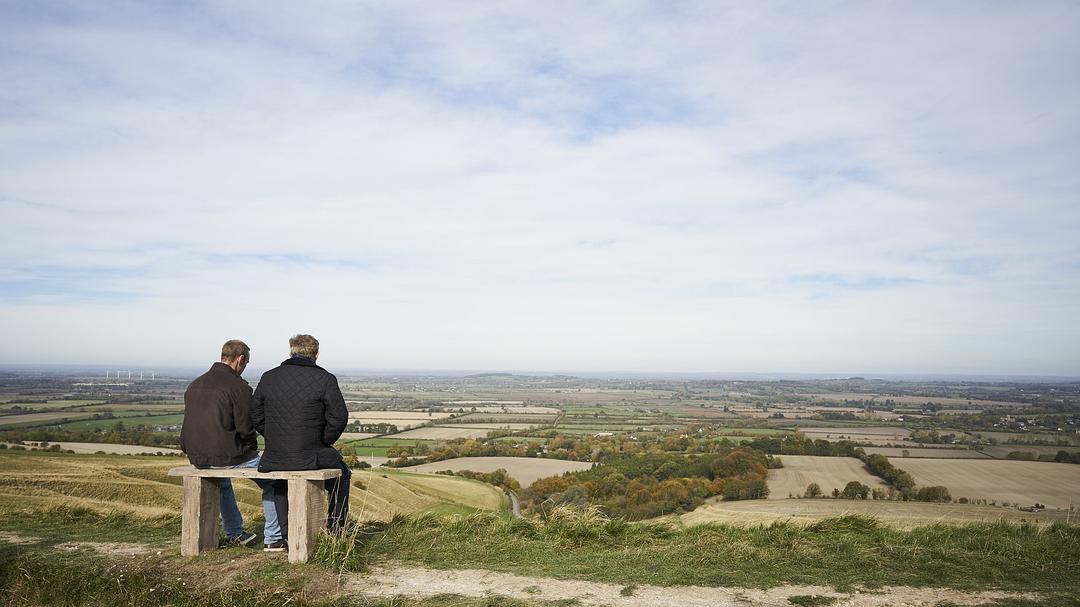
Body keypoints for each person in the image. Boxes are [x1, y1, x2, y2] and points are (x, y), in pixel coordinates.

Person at [179, 340, 286, 550]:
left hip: (198, 457)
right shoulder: (239, 387)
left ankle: (236, 533)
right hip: (229, 456)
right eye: (246, 363)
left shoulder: (195, 384)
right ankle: (273, 538)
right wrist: (251, 448)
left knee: (222, 482)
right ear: (240, 359)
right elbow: (246, 429)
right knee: (275, 482)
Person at [252, 334, 351, 535]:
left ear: (290, 352)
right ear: (316, 355)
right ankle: (336, 530)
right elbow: (339, 417)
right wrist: (324, 440)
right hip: (312, 453)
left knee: (280, 482)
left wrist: (272, 436)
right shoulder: (325, 379)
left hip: (275, 455)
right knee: (343, 475)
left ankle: (288, 534)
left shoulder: (269, 377)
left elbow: (255, 414)